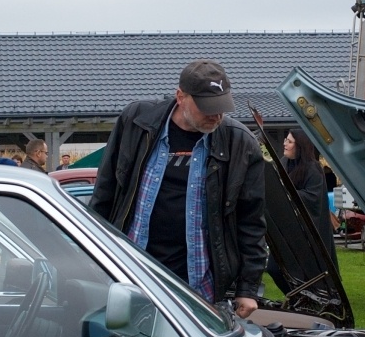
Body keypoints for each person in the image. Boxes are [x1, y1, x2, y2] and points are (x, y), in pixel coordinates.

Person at [91, 60, 266, 319]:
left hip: (199, 285)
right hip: (132, 274)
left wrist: (248, 288)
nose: (216, 116)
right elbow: (105, 194)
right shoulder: (136, 122)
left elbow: (251, 221)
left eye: (221, 107)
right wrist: (93, 260)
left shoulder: (240, 142)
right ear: (180, 97)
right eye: (207, 107)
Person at [283, 128, 337, 263]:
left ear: (299, 146)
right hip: (287, 225)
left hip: (307, 229)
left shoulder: (313, 169)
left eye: (289, 141)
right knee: (275, 268)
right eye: (285, 140)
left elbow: (313, 197)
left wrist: (287, 194)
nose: (285, 144)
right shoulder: (283, 163)